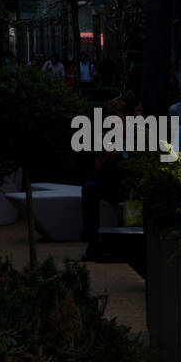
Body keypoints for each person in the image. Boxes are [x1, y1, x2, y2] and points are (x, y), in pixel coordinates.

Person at [80, 99, 131, 262]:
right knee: (89, 189)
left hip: (131, 183)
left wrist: (122, 157)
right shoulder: (105, 137)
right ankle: (93, 242)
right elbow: (98, 170)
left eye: (118, 118)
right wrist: (105, 157)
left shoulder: (137, 134)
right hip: (112, 183)